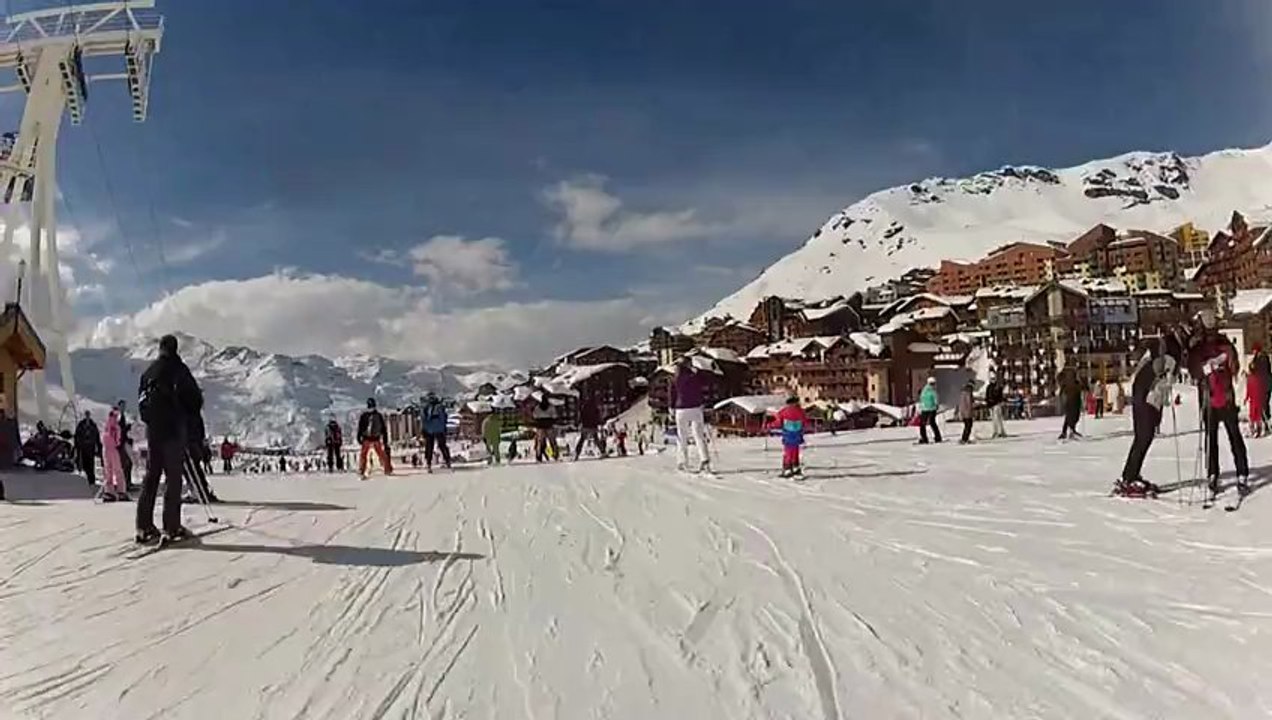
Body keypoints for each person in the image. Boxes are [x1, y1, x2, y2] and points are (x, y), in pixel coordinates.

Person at [135, 334, 204, 545]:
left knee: (151, 477)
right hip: (174, 431)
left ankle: (143, 525)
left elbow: (142, 407)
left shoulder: (148, 373)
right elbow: (195, 400)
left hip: (154, 432)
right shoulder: (179, 370)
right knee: (173, 479)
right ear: (175, 348)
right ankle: (171, 526)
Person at [1187, 310, 1250, 496]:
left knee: (1234, 437)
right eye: (1208, 329)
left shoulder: (1224, 343)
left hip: (1226, 397)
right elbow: (1193, 370)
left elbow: (1235, 365)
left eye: (1212, 328)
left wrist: (1226, 359)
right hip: (1208, 399)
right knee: (1211, 439)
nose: (1211, 333)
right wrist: (1203, 368)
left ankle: (1242, 472)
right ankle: (1213, 473)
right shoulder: (1197, 347)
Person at [1118, 339, 1176, 496]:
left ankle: (1130, 475)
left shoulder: (1149, 364)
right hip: (1146, 406)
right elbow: (1157, 389)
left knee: (1141, 440)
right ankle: (1129, 477)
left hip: (1143, 406)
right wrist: (1155, 413)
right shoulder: (1156, 365)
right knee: (1142, 440)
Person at [670, 357, 712, 472]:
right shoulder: (694, 377)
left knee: (682, 437)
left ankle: (682, 462)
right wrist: (698, 370)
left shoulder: (675, 378)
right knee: (699, 435)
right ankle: (705, 459)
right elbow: (706, 380)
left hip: (681, 410)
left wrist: (671, 407)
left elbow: (672, 394)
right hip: (696, 408)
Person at [770, 394, 809, 478]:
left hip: (788, 434)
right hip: (797, 434)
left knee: (788, 452)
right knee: (795, 451)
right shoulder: (801, 411)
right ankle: (796, 467)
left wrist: (770, 425)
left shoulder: (784, 411)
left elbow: (778, 422)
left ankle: (787, 469)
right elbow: (805, 423)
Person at [357, 397, 392, 479]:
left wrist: (359, 436)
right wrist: (385, 439)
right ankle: (387, 469)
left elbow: (360, 428)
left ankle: (362, 469)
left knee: (366, 454)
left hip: (370, 438)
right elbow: (383, 429)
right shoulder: (377, 415)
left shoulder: (366, 416)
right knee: (379, 454)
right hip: (373, 437)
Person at [99, 408, 127, 502]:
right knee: (117, 470)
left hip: (105, 449)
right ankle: (121, 491)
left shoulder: (106, 427)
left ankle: (109, 491)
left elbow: (102, 439)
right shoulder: (116, 427)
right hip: (113, 449)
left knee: (108, 471)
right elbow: (118, 440)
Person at [419, 392, 451, 472]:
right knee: (442, 445)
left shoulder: (425, 407)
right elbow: (444, 418)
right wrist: (444, 428)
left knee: (429, 447)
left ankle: (428, 463)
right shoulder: (439, 407)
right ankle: (447, 461)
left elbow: (423, 419)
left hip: (429, 429)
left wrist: (423, 430)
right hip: (439, 429)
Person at [574, 395, 607, 460]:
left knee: (582, 439)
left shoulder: (583, 408)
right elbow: (598, 417)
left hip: (585, 425)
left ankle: (577, 453)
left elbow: (581, 416)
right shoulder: (595, 408)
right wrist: (600, 422)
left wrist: (578, 423)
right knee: (596, 439)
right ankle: (603, 452)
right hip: (593, 426)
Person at [73, 410, 100, 487]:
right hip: (83, 447)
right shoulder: (81, 425)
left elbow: (96, 436)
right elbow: (77, 436)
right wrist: (77, 446)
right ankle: (85, 480)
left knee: (91, 464)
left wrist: (98, 447)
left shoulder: (93, 425)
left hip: (90, 448)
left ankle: (92, 480)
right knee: (84, 464)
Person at [1057, 366, 1083, 440]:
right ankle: (1069, 431)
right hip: (1073, 401)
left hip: (1072, 401)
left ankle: (1068, 431)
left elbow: (1061, 391)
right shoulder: (1073, 382)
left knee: (1071, 417)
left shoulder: (1069, 382)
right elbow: (1082, 387)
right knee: (1072, 416)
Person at [530, 396, 560, 462]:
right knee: (552, 441)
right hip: (549, 426)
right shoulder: (551, 407)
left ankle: (538, 456)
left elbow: (534, 416)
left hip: (540, 426)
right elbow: (555, 416)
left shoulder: (537, 407)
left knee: (540, 442)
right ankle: (556, 455)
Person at [116, 400, 136, 491]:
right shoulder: (118, 417)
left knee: (128, 464)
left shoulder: (123, 416)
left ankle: (127, 482)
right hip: (120, 445)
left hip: (124, 443)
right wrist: (127, 428)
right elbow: (119, 431)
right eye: (122, 406)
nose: (123, 407)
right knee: (125, 464)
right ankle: (125, 484)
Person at [917, 377, 942, 444]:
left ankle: (924, 438)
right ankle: (937, 437)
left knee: (923, 424)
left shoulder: (924, 390)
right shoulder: (932, 391)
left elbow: (921, 399)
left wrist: (921, 406)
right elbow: (935, 398)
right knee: (932, 423)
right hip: (931, 408)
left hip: (925, 408)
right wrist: (937, 405)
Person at [1247, 360, 1268, 438]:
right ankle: (1258, 430)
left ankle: (1253, 430)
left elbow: (1249, 389)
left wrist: (1246, 398)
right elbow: (1262, 389)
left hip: (1253, 400)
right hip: (1258, 399)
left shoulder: (1250, 378)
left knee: (1253, 416)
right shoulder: (1259, 378)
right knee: (1258, 416)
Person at [1255, 343, 1272, 426]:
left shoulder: (1262, 359)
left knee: (1264, 403)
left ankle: (1266, 421)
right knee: (1263, 404)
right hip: (1263, 384)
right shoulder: (1259, 358)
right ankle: (1265, 420)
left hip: (1264, 385)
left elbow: (1261, 371)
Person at [956, 380, 976, 444]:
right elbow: (969, 402)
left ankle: (965, 438)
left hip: (963, 411)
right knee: (968, 425)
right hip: (967, 411)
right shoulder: (968, 392)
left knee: (967, 426)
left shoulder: (963, 392)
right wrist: (972, 409)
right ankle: (964, 439)